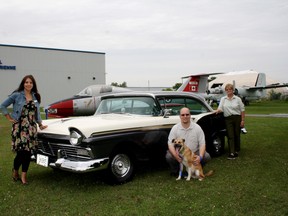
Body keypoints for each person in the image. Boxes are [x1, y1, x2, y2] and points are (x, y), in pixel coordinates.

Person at [0, 75, 47, 185]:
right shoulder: (17, 95)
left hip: (31, 128)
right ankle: (15, 170)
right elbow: (2, 106)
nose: (28, 84)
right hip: (20, 127)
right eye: (26, 82)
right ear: (23, 83)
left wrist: (40, 124)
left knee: (28, 152)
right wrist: (9, 117)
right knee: (21, 152)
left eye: (30, 82)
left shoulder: (36, 96)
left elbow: (37, 113)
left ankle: (23, 176)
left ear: (33, 84)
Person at [165, 107, 211, 176]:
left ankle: (196, 169)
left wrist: (200, 157)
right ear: (180, 116)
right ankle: (175, 171)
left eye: (187, 114)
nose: (185, 116)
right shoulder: (175, 128)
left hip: (194, 152)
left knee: (206, 156)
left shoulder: (197, 127)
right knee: (169, 156)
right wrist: (176, 156)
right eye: (183, 115)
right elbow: (170, 144)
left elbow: (202, 144)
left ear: (190, 115)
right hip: (179, 153)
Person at [215, 83, 245, 160]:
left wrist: (242, 120)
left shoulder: (238, 99)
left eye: (230, 89)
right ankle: (232, 152)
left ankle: (237, 150)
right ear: (225, 91)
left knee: (236, 135)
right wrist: (217, 111)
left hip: (237, 118)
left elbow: (242, 110)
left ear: (233, 90)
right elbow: (220, 108)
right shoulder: (223, 99)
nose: (229, 91)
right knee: (230, 135)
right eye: (227, 90)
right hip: (228, 119)